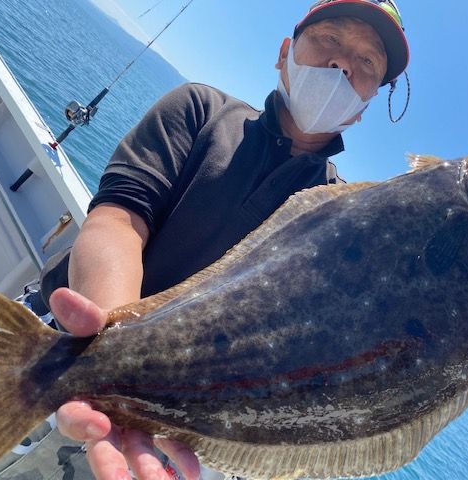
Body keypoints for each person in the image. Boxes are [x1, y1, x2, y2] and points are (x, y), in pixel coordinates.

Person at [44, 1, 410, 479]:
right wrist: (111, 352)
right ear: (285, 53)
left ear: (364, 107)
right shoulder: (200, 110)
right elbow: (118, 220)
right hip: (67, 346)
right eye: (331, 38)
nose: (344, 64)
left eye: (367, 64)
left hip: (174, 433)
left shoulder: (344, 220)